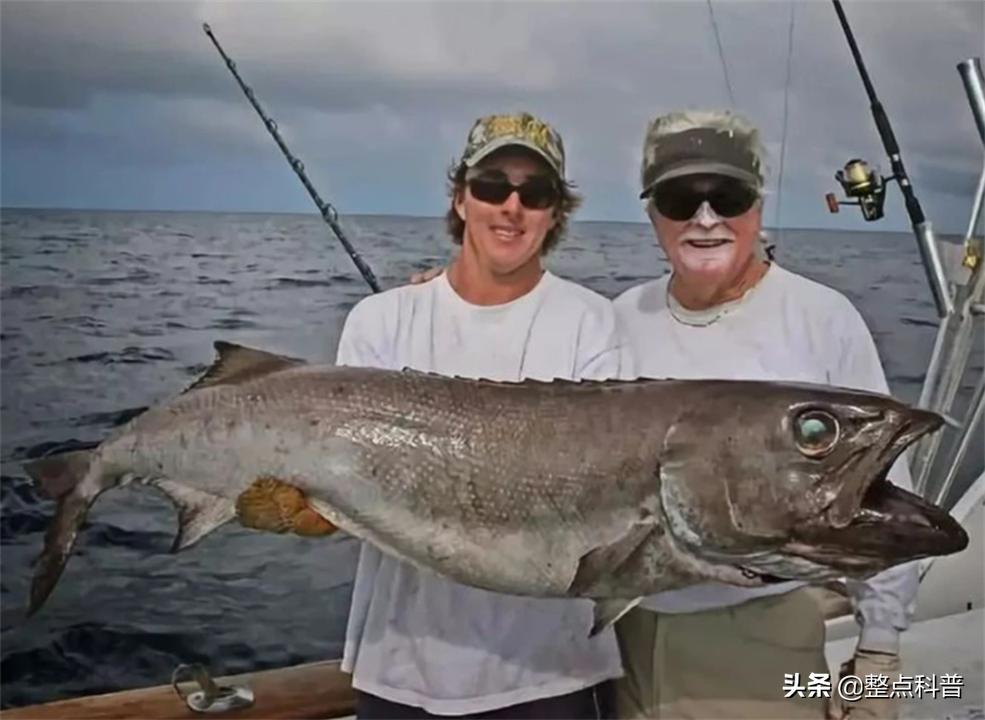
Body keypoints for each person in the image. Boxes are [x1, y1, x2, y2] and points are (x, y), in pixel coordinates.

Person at [241, 112, 626, 718]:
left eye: (535, 193)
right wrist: (314, 508)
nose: (512, 207)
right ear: (461, 198)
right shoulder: (379, 320)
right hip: (399, 668)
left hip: (551, 673)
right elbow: (345, 490)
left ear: (556, 213)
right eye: (492, 186)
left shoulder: (594, 324)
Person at [610, 109, 917, 720]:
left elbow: (882, 504)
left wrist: (879, 657)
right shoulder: (617, 317)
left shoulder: (822, 318)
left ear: (757, 205)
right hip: (621, 639)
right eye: (679, 199)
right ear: (652, 214)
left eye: (727, 196)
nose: (705, 219)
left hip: (761, 640)